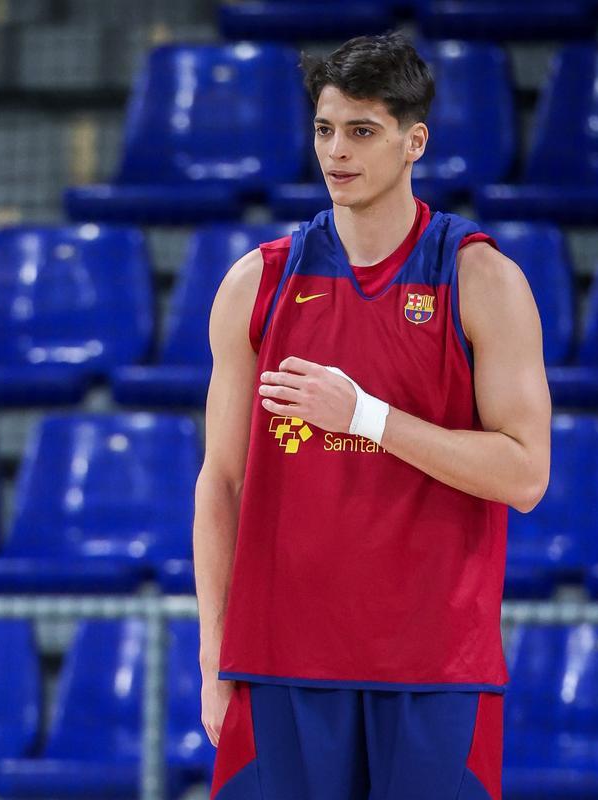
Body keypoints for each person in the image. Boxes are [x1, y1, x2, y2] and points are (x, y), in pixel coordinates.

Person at [194, 33, 551, 800]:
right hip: (279, 661)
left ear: (413, 141)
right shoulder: (256, 283)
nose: (337, 151)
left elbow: (526, 475)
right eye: (325, 129)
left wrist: (368, 417)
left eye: (362, 131)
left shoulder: (480, 277)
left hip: (433, 666)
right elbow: (220, 483)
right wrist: (211, 655)